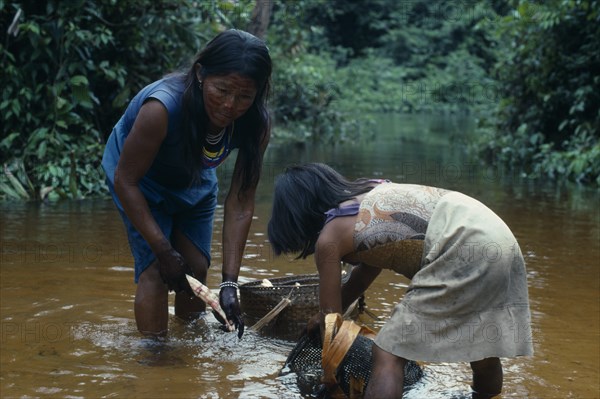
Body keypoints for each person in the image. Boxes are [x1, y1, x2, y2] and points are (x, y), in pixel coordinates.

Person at [267, 163, 533, 399]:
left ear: (299, 216)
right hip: (497, 237)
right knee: (482, 350)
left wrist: (329, 375)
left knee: (387, 354)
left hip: (460, 245)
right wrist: (328, 312)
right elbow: (368, 269)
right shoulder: (370, 191)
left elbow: (331, 323)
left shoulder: (329, 237)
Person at [102, 29, 272, 339]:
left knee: (195, 266)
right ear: (199, 74)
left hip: (194, 175)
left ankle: (191, 345)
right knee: (156, 268)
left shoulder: (255, 125)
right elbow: (126, 180)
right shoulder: (161, 109)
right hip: (138, 179)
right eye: (221, 90)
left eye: (244, 96)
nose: (230, 105)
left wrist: (230, 284)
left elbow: (240, 203)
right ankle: (154, 361)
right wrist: (164, 251)